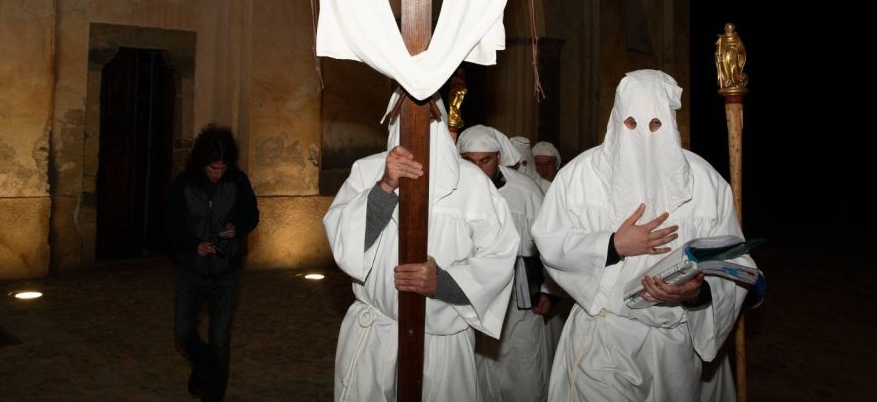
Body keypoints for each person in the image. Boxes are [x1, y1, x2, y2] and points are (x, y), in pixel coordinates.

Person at [531, 70, 756, 401]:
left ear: (670, 122)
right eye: (631, 125)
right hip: (606, 339)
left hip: (674, 347)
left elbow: (734, 262)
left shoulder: (706, 183)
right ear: (616, 119)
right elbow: (550, 240)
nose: (643, 138)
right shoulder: (581, 176)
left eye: (655, 125)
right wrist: (612, 245)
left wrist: (697, 293)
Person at [323, 93, 519, 402]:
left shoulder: (473, 184)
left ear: (439, 121)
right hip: (377, 334)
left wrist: (443, 283)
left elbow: (500, 256)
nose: (416, 127)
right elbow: (344, 245)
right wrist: (385, 187)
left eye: (427, 118)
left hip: (443, 343)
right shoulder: (366, 171)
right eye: (406, 117)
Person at [459, 125, 551, 402]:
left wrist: (548, 292)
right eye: (469, 161)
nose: (477, 169)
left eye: (484, 160)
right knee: (476, 373)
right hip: (472, 293)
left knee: (524, 374)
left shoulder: (525, 190)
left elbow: (549, 244)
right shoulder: (454, 190)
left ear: (498, 156)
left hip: (520, 295)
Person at [170, 125, 259, 402]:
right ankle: (204, 363)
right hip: (191, 271)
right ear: (201, 164)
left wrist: (237, 227)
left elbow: (252, 215)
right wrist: (192, 245)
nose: (218, 174)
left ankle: (213, 394)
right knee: (184, 332)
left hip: (226, 271)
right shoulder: (183, 184)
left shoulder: (237, 181)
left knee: (220, 338)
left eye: (222, 168)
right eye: (212, 169)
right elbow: (170, 226)